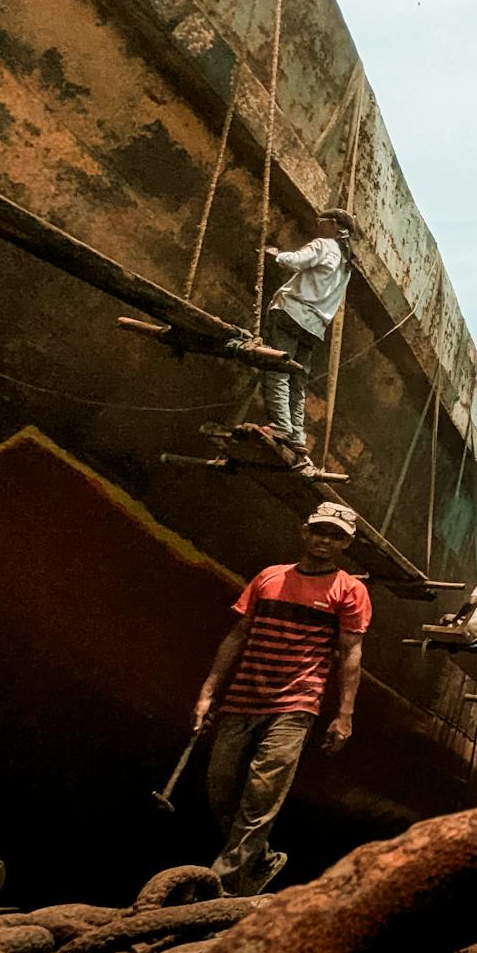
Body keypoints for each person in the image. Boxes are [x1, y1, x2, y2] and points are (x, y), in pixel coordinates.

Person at [191, 501, 370, 895]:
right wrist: (208, 693)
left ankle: (224, 886)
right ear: (304, 532)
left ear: (346, 544)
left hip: (297, 702)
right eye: (320, 530)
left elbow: (350, 654)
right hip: (242, 697)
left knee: (261, 794)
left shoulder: (350, 590)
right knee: (219, 785)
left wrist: (344, 715)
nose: (325, 540)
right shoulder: (269, 577)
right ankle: (262, 858)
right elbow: (238, 635)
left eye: (336, 535)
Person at [260, 209, 359, 473]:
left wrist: (276, 254)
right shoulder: (346, 265)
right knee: (297, 380)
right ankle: (298, 437)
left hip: (292, 313)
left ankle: (281, 427)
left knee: (277, 370)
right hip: (314, 328)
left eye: (322, 222)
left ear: (335, 227)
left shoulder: (324, 245)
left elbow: (295, 261)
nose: (318, 226)